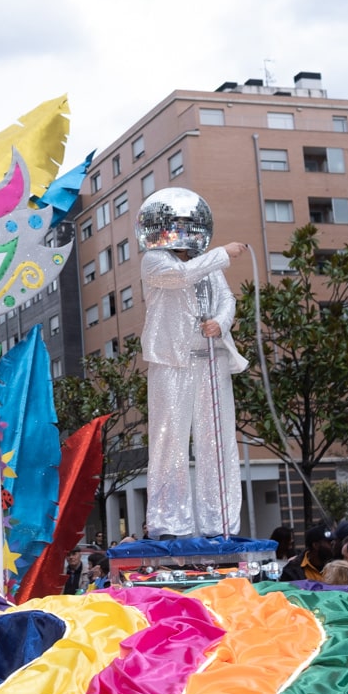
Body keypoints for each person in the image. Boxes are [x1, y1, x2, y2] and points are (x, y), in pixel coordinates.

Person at [137, 188, 248, 539]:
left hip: (211, 361)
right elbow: (179, 277)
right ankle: (170, 523)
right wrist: (222, 254)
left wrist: (221, 322)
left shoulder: (207, 263)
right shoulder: (154, 261)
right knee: (169, 441)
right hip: (172, 362)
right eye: (175, 223)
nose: (182, 230)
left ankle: (220, 522)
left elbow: (227, 299)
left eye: (187, 223)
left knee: (218, 442)